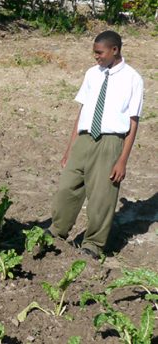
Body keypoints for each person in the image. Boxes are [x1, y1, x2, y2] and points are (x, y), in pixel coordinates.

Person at [49, 30, 143, 260]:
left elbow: (133, 122)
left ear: (115, 50)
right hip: (84, 138)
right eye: (94, 52)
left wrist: (122, 160)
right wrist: (69, 148)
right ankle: (57, 231)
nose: (96, 57)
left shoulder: (133, 79)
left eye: (100, 52)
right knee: (67, 188)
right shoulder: (92, 74)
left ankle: (94, 243)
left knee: (102, 196)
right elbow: (82, 111)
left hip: (110, 142)